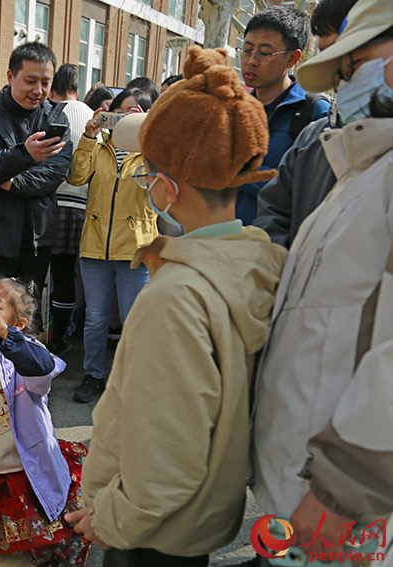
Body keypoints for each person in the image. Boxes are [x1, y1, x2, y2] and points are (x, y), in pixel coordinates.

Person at [64, 46, 288, 567]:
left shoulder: (177, 295)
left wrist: (109, 518)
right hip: (201, 517)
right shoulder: (257, 261)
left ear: (166, 185)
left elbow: (164, 450)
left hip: (150, 531)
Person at [252, 0, 393, 563]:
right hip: (301, 494)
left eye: (354, 62)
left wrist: (343, 487)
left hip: (345, 510)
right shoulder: (358, 171)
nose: (346, 82)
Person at [0, 279, 89, 567]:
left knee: (51, 536)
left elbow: (43, 367)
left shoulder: (26, 351)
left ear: (17, 324)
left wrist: (4, 333)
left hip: (25, 469)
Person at [0, 42, 72, 331]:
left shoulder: (56, 118)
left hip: (37, 239)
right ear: (11, 77)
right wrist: (24, 155)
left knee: (28, 320)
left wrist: (10, 180)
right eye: (30, 80)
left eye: (45, 82)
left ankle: (24, 376)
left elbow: (55, 172)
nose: (38, 90)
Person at [66, 86, 156, 404]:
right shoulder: (100, 144)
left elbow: (163, 189)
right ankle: (93, 375)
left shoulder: (152, 150)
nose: (124, 119)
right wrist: (89, 137)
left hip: (136, 247)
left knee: (134, 320)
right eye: (120, 112)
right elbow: (76, 177)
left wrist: (150, 136)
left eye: (134, 113)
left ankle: (129, 379)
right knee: (96, 318)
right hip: (95, 245)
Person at [253, 0, 359, 248]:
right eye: (247, 49)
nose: (336, 72)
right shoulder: (316, 136)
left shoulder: (312, 113)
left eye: (348, 56)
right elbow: (275, 208)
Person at [236, 6, 330, 225]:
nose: (251, 60)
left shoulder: (313, 114)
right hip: (218, 244)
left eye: (264, 53)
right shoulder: (232, 108)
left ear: (292, 58)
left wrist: (236, 170)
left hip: (273, 249)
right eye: (247, 50)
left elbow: (308, 190)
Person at [47, 64, 94, 355]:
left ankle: (38, 335)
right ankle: (58, 339)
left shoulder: (52, 112)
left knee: (39, 275)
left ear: (52, 89)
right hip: (84, 207)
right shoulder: (92, 115)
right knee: (66, 276)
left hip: (51, 204)